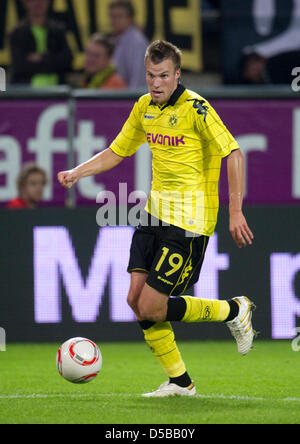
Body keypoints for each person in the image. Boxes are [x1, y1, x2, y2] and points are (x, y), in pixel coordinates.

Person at [58, 40, 256, 398]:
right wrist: (78, 171)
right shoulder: (144, 107)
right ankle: (181, 382)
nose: (156, 83)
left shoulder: (197, 108)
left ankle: (234, 310)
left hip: (191, 220)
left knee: (153, 305)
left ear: (177, 74)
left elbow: (234, 153)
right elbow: (118, 150)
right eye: (151, 75)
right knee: (136, 300)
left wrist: (236, 210)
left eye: (164, 76)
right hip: (154, 214)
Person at [9, 0, 73, 86]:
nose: (38, 3)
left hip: (57, 92)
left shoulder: (58, 31)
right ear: (24, 3)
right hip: (25, 93)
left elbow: (67, 62)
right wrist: (53, 61)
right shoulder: (17, 33)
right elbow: (20, 66)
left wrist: (42, 58)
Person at [109, 1, 149, 89]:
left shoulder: (136, 42)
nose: (115, 20)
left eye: (119, 16)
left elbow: (138, 79)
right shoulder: (117, 40)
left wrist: (130, 100)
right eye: (112, 16)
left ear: (130, 18)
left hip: (131, 99)